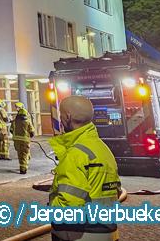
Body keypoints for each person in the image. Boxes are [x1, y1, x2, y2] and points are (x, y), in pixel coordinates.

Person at [49, 96, 121, 241]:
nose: (61, 120)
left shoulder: (75, 155)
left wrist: (50, 207)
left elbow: (69, 208)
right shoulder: (102, 148)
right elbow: (116, 190)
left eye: (61, 115)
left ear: (67, 116)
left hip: (78, 234)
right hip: (107, 231)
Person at [10, 102, 35, 174]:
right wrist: (29, 136)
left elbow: (11, 130)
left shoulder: (14, 121)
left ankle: (23, 164)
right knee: (24, 154)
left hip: (16, 140)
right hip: (25, 140)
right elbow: (32, 131)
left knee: (20, 154)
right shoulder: (27, 121)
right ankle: (23, 169)